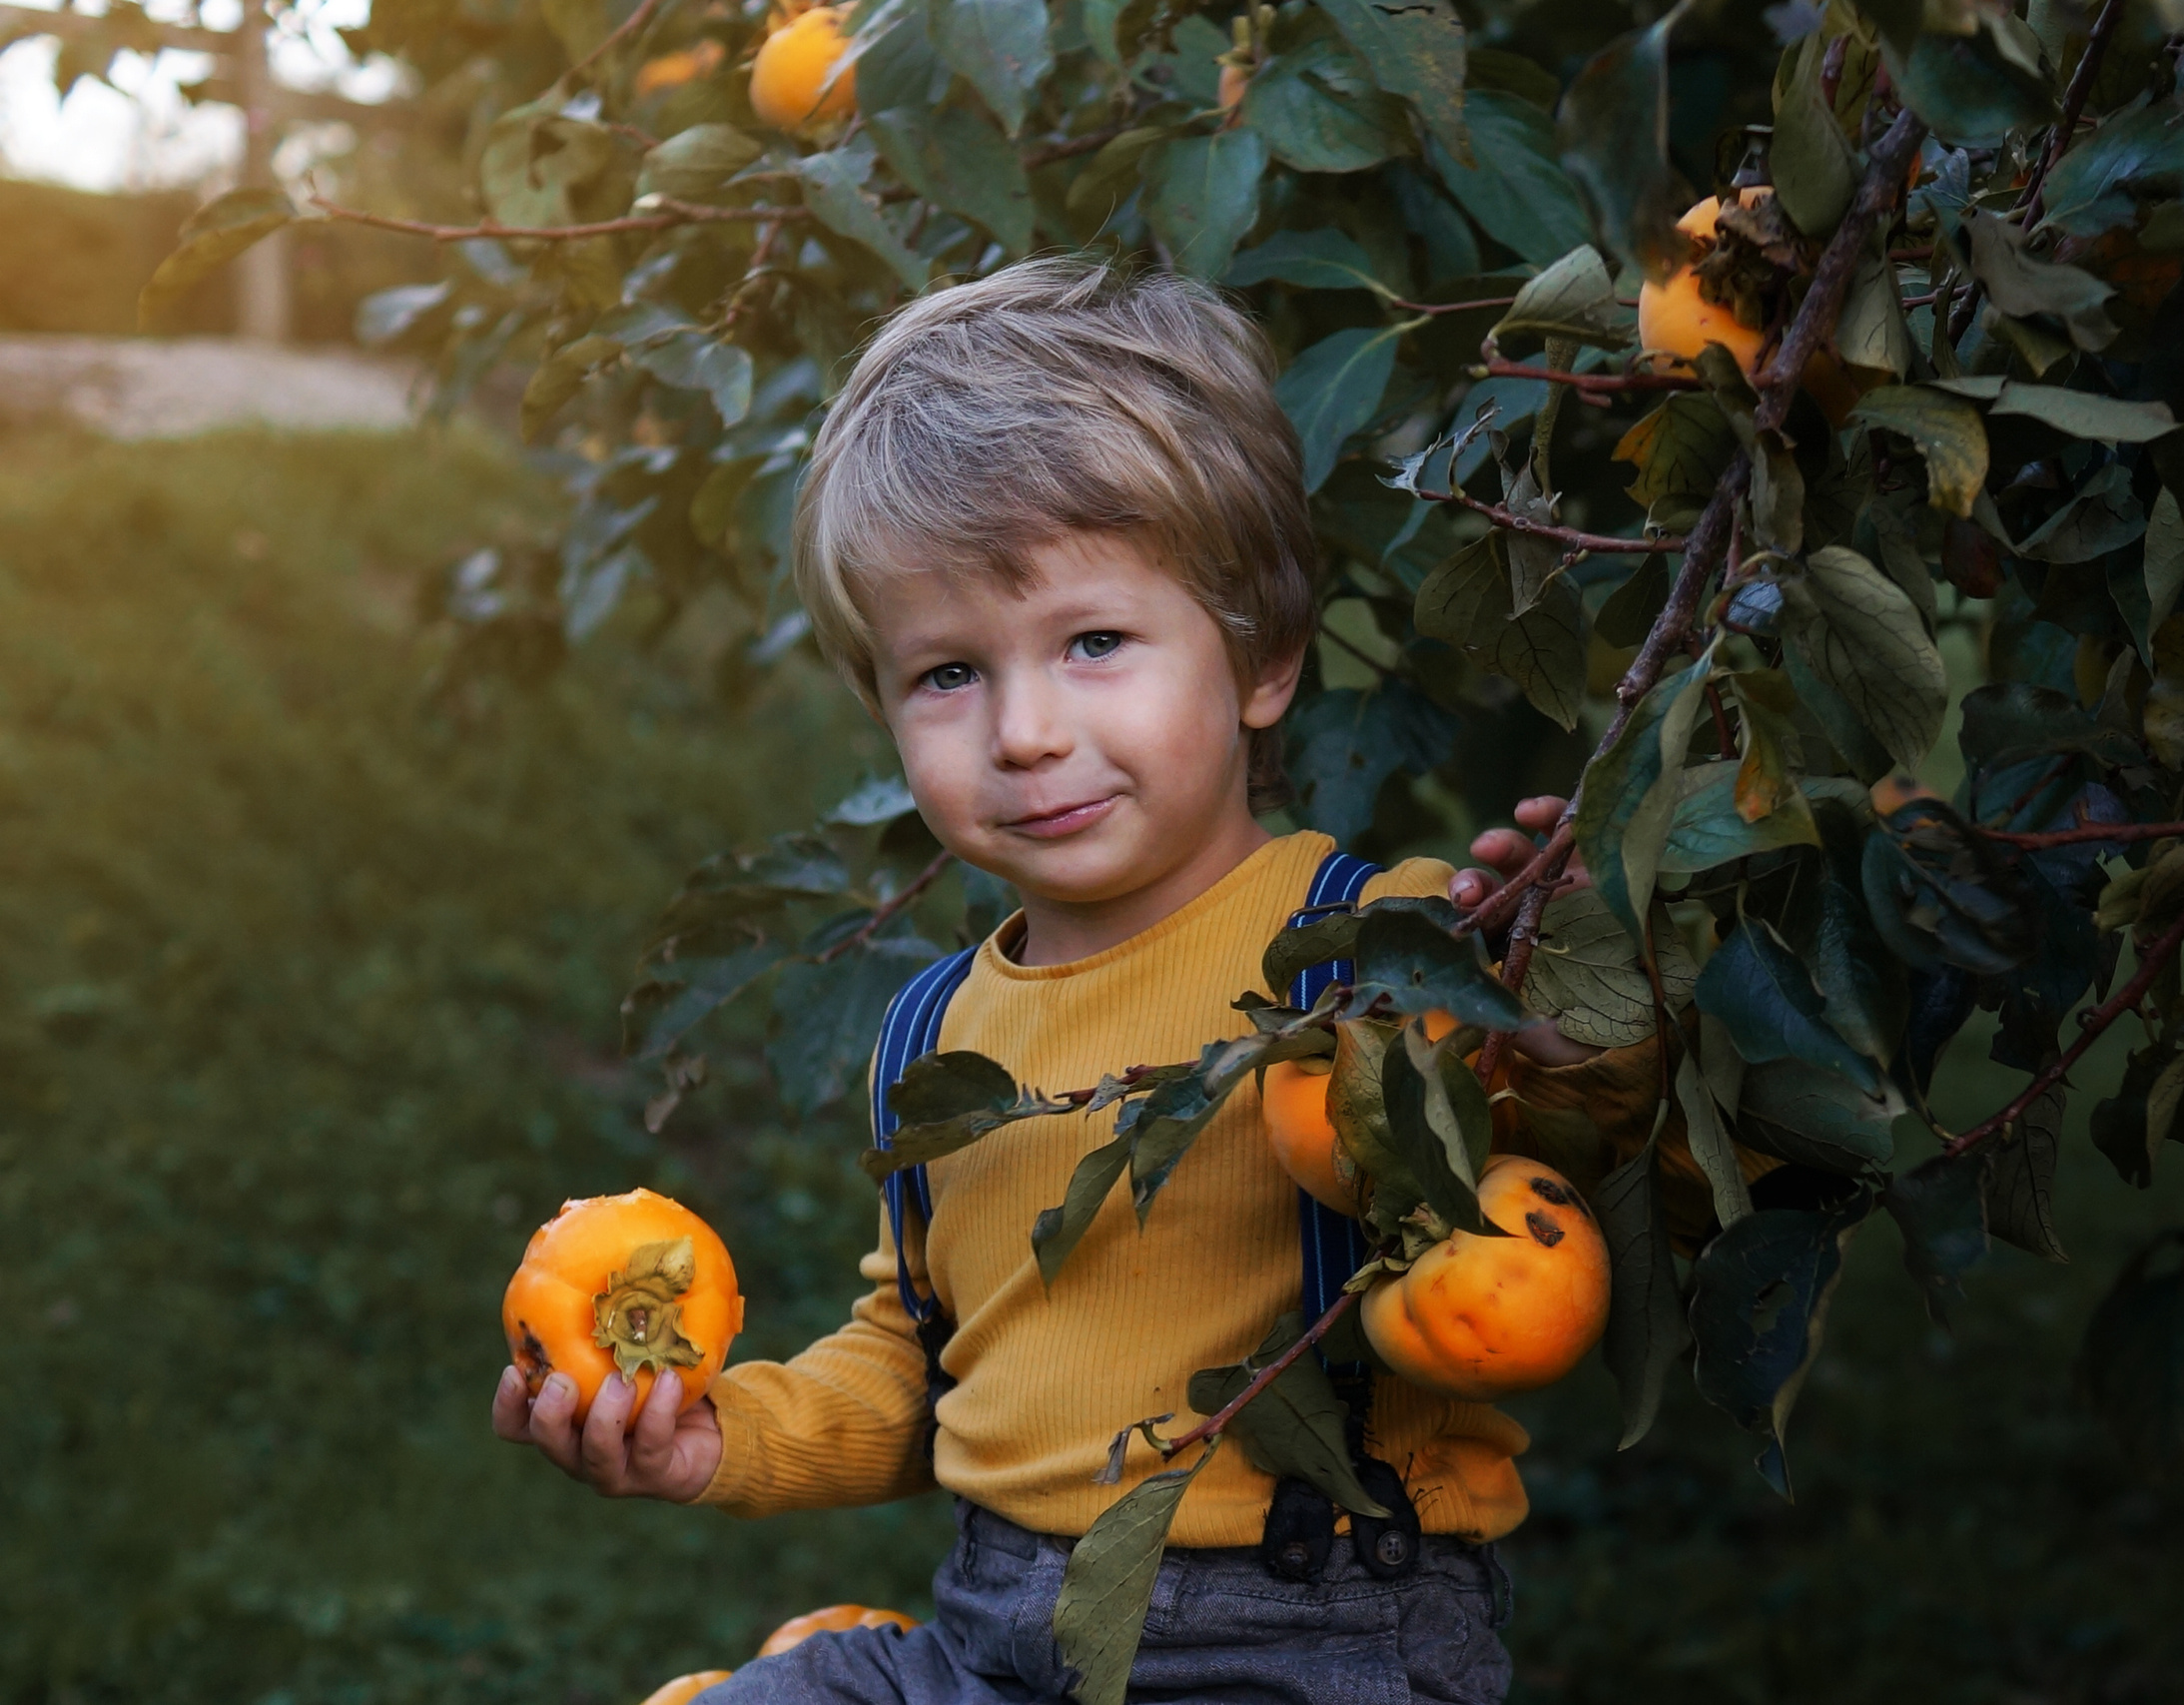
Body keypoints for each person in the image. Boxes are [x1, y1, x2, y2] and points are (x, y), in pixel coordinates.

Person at [492, 257, 1627, 1704]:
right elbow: (921, 1362)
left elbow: (1574, 1160)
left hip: (1303, 1640)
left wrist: (1572, 1005)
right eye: (948, 674)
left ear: (1262, 656)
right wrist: (720, 1436)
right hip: (990, 1640)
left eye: (1094, 643)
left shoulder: (1383, 949)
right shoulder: (938, 1038)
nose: (1024, 731)